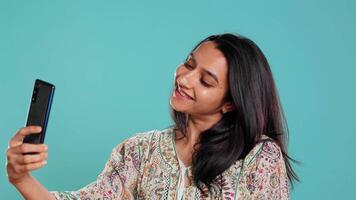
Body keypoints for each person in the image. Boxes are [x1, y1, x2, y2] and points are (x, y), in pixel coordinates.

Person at [6, 33, 298, 199]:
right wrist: (21, 178)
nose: (184, 78)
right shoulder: (138, 151)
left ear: (231, 104)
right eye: (188, 64)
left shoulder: (258, 156)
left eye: (206, 81)